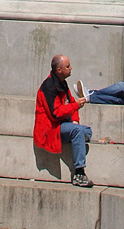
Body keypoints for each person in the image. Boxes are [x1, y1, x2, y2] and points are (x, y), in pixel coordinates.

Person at [34, 55, 93, 188]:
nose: (71, 68)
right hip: (50, 129)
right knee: (78, 131)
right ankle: (79, 173)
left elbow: (71, 103)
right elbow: (55, 114)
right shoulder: (48, 87)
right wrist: (75, 106)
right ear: (59, 70)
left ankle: (76, 137)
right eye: (67, 66)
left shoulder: (62, 84)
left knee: (86, 130)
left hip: (62, 126)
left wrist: (75, 121)